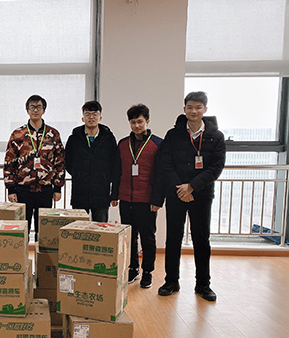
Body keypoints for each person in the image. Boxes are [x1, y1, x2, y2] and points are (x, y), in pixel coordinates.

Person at [156, 91, 226, 301]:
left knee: (201, 240)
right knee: (173, 239)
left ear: (205, 109)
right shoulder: (173, 134)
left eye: (198, 107)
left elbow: (216, 167)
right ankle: (171, 281)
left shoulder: (216, 136)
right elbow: (165, 164)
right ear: (184, 109)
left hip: (202, 195)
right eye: (190, 107)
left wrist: (192, 187)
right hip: (176, 194)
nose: (194, 111)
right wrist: (182, 188)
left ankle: (203, 285)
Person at [113, 104, 163, 289]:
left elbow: (160, 175)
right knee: (129, 237)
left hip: (147, 200)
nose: (136, 125)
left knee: (147, 238)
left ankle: (147, 271)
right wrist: (115, 194)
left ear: (147, 122)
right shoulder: (123, 144)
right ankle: (133, 268)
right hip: (126, 198)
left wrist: (157, 200)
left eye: (140, 122)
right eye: (133, 122)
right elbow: (117, 171)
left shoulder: (158, 144)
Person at [4, 95, 65, 240]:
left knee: (44, 232)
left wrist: (58, 188)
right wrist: (10, 189)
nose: (35, 110)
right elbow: (9, 162)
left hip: (45, 190)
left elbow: (60, 162)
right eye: (32, 107)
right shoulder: (18, 134)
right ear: (27, 110)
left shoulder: (53, 134)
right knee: (21, 230)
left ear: (44, 110)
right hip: (22, 190)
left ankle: (41, 255)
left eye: (38, 107)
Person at [65, 100, 119, 223]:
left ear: (100, 117)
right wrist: (78, 174)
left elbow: (115, 165)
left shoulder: (108, 138)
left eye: (95, 114)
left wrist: (114, 192)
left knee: (100, 230)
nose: (91, 117)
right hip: (80, 191)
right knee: (78, 229)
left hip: (101, 193)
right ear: (82, 118)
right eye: (87, 114)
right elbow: (68, 161)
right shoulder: (74, 138)